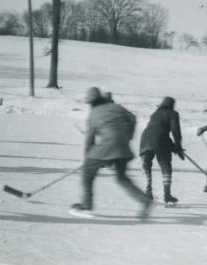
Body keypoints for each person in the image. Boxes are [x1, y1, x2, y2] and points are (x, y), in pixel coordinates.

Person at [71, 87, 152, 218]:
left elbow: (90, 139)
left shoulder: (93, 114)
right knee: (122, 178)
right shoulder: (115, 107)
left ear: (91, 102)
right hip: (123, 146)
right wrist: (128, 135)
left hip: (107, 147)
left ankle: (86, 205)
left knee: (87, 174)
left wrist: (89, 158)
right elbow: (132, 118)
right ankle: (145, 200)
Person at [139, 96, 185, 203]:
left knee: (147, 164)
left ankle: (148, 191)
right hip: (160, 141)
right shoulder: (173, 114)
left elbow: (158, 132)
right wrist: (178, 147)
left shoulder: (155, 114)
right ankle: (167, 195)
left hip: (145, 140)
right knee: (165, 165)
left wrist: (175, 148)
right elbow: (175, 132)